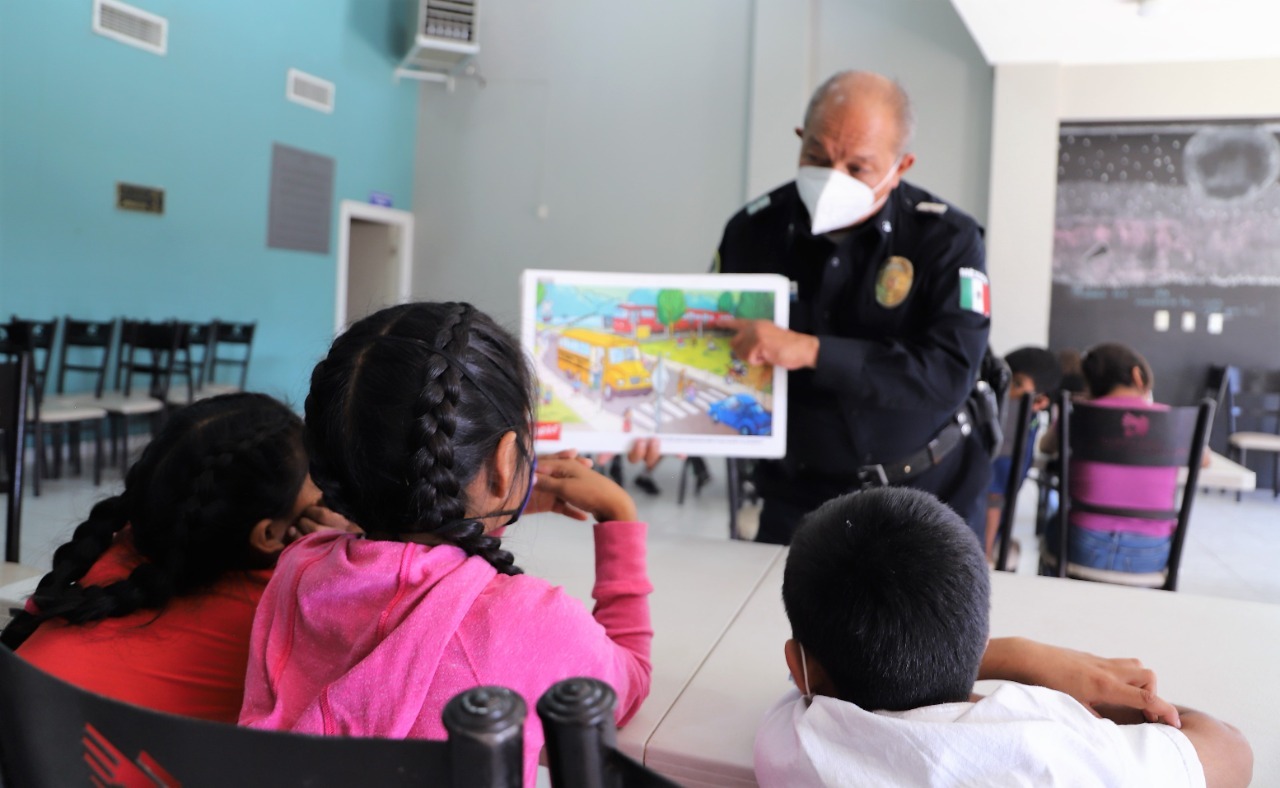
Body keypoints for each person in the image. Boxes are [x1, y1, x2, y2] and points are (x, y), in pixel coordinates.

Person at [238, 302, 652, 787]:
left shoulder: (298, 570)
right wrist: (619, 516)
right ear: (505, 460)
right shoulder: (527, 620)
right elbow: (628, 686)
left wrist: (495, 502)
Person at [755, 487, 1252, 786]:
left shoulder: (790, 746)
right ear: (980, 630)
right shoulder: (1060, 746)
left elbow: (813, 683)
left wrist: (1000, 655)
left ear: (798, 665)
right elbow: (1231, 752)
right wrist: (1024, 658)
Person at [715, 70, 992, 545]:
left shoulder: (946, 240)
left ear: (901, 166)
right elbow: (715, 347)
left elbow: (948, 373)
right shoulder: (752, 232)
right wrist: (664, 426)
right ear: (801, 139)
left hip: (924, 494)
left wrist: (812, 350)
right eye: (817, 158)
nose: (832, 178)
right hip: (796, 498)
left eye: (857, 167)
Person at [2, 393, 358, 724]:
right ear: (267, 536)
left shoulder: (127, 541)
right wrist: (352, 543)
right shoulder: (288, 606)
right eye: (317, 492)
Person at [1042, 342, 1195, 573]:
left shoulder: (1076, 413)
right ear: (1137, 375)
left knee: (1053, 523)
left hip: (1084, 544)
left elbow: (1046, 447)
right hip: (1151, 552)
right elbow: (1203, 459)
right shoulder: (1171, 420)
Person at [984, 346, 1062, 560]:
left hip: (980, 540)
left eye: (1016, 384)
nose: (1006, 390)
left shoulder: (1012, 415)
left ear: (1041, 401)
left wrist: (985, 557)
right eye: (1002, 379)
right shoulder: (1016, 416)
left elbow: (994, 498)